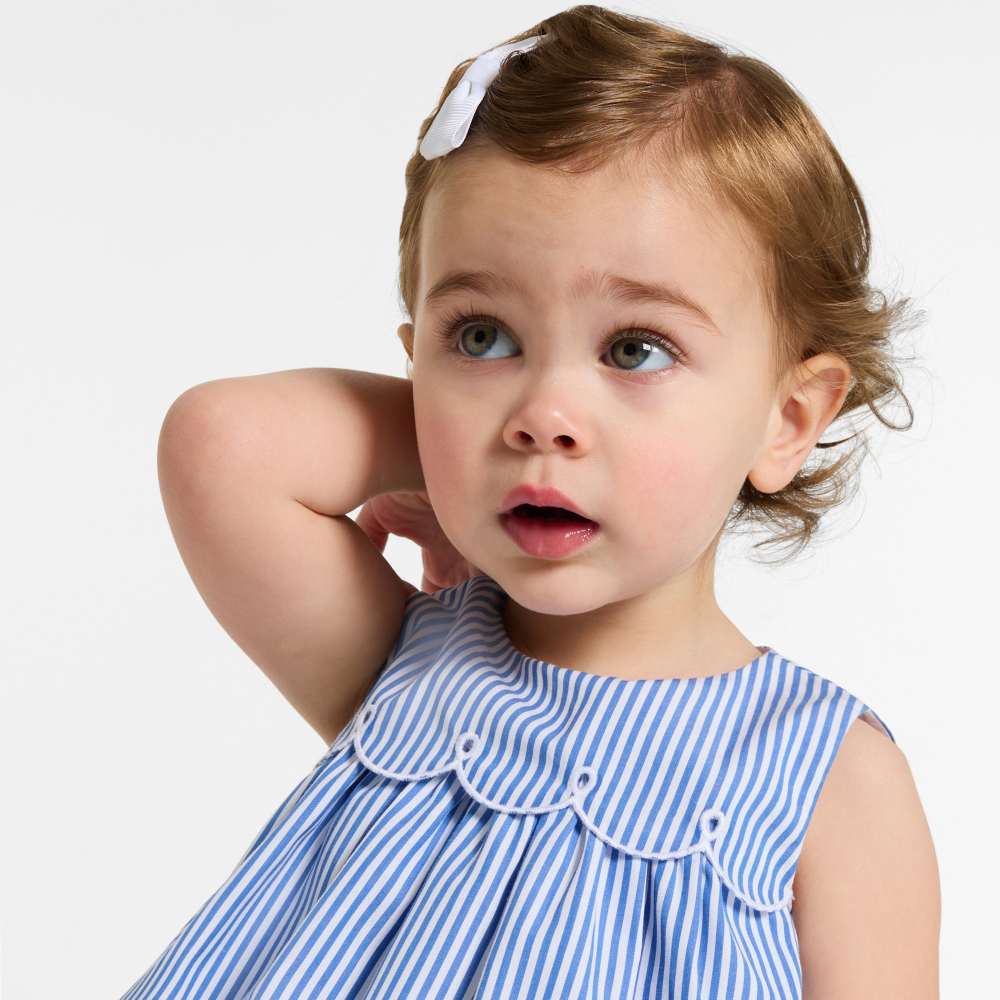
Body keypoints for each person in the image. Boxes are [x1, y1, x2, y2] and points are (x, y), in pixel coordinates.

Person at [121, 7, 939, 998]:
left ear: (788, 417)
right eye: (481, 338)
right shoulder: (410, 667)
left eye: (634, 349)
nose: (543, 415)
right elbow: (222, 443)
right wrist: (447, 452)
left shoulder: (828, 782)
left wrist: (468, 433)